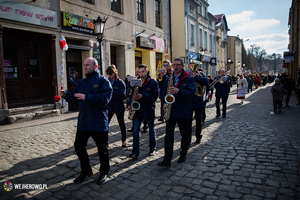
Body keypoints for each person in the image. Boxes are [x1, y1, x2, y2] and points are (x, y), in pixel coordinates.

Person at [60, 57, 112, 185]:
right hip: (84, 121)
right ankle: (86, 170)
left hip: (98, 121)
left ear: (95, 66)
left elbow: (104, 99)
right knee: (78, 146)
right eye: (84, 65)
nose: (84, 67)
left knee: (102, 149)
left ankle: (104, 171)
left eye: (87, 65)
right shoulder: (81, 82)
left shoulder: (103, 81)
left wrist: (86, 97)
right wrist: (66, 95)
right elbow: (75, 97)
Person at [158, 58, 195, 167]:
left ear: (182, 66)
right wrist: (165, 102)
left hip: (184, 111)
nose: (175, 67)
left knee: (185, 135)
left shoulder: (188, 78)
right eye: (174, 65)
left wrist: (179, 91)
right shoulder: (170, 77)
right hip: (171, 110)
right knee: (168, 136)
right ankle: (167, 159)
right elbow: (165, 92)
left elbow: (192, 94)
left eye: (178, 65)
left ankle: (183, 154)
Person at [127, 64, 159, 158]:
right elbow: (132, 94)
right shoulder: (136, 81)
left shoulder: (153, 82)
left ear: (147, 71)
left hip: (148, 109)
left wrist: (143, 96)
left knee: (151, 131)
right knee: (136, 132)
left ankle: (152, 149)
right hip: (138, 110)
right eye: (139, 72)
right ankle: (135, 152)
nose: (141, 74)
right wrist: (129, 104)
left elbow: (154, 96)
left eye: (142, 72)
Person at [106, 65, 127, 147]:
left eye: (110, 74)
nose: (109, 75)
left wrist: (112, 92)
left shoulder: (120, 82)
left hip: (119, 106)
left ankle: (123, 140)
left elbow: (122, 95)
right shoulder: (107, 81)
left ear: (114, 73)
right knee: (106, 124)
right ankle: (105, 142)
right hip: (110, 106)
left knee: (121, 124)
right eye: (108, 74)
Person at [187, 67, 209, 144]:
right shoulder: (186, 77)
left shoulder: (200, 75)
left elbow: (206, 82)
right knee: (188, 121)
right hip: (189, 101)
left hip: (198, 101)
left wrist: (195, 77)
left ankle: (198, 136)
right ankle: (188, 137)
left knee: (198, 120)